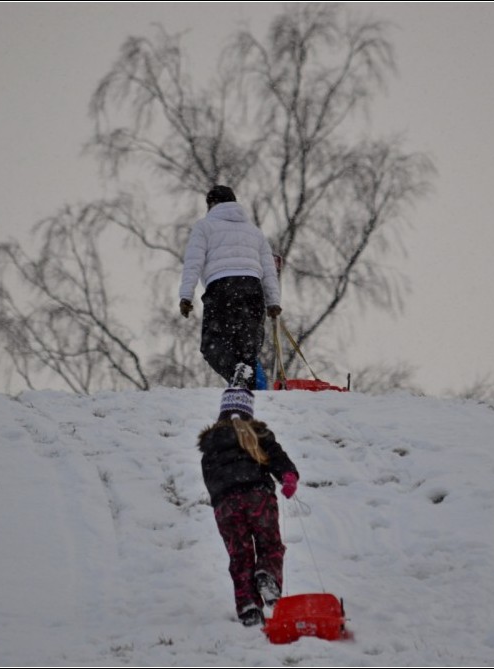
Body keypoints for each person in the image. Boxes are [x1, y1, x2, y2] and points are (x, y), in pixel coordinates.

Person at [197, 386, 299, 627]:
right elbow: (278, 457)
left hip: (226, 505)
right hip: (258, 497)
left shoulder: (210, 446)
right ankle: (268, 576)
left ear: (222, 414)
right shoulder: (259, 435)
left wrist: (221, 502)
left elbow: (209, 479)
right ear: (248, 413)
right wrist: (288, 477)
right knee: (269, 544)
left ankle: (248, 607)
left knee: (239, 555)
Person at [179, 185, 282, 389]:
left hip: (222, 290)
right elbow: (269, 269)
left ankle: (237, 375)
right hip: (252, 291)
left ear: (211, 204)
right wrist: (273, 302)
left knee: (212, 347)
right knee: (247, 351)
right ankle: (249, 395)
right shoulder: (255, 232)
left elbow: (193, 262)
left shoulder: (204, 227)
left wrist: (186, 296)